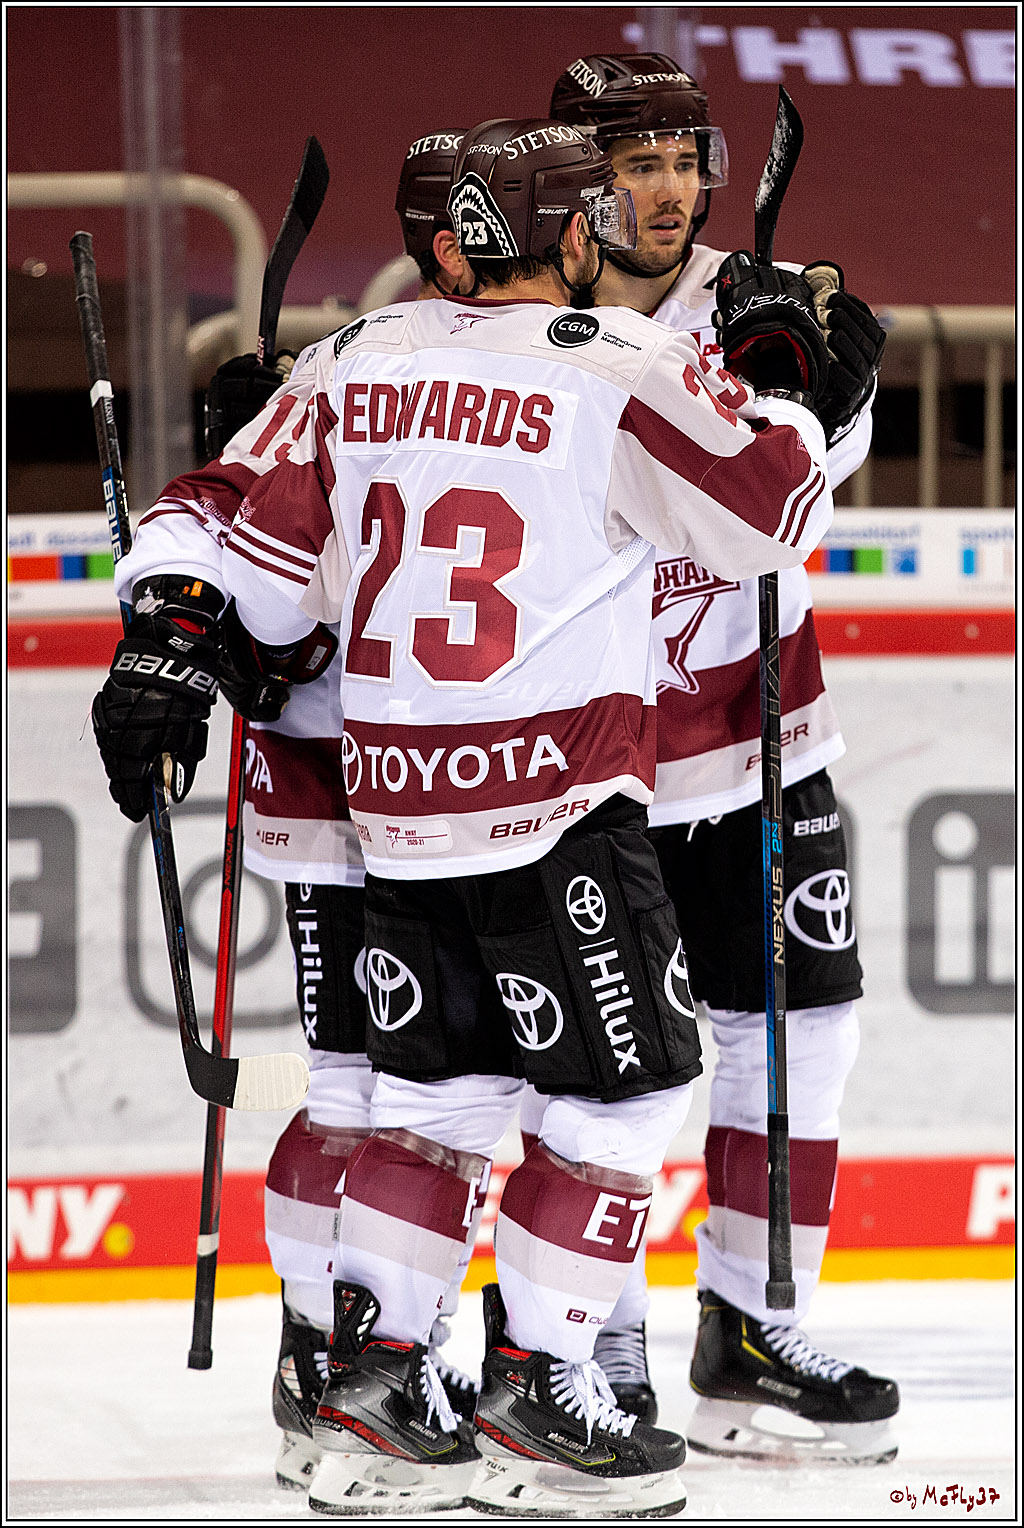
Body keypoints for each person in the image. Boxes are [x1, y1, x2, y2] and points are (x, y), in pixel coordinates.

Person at [214, 114, 835, 1515]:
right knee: (636, 1090)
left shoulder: (353, 358)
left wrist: (167, 637)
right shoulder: (619, 360)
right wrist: (797, 389)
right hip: (555, 800)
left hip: (395, 808)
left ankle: (377, 1380)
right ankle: (542, 1387)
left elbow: (230, 545)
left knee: (433, 1101)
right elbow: (772, 514)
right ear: (568, 232)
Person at [90, 131, 481, 1497]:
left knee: (375, 1087)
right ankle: (359, 1373)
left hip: (395, 778)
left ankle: (334, 1368)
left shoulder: (382, 362)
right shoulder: (386, 366)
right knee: (402, 1090)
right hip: (392, 783)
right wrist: (178, 632)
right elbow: (225, 533)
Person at [548, 53, 898, 1465]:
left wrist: (829, 366)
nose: (674, 189)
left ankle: (752, 1320)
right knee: (608, 1076)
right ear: (577, 179)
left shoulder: (760, 295)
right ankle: (598, 1340)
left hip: (762, 744)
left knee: (809, 1031)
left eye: (688, 158)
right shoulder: (524, 317)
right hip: (597, 769)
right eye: (638, 164)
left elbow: (825, 466)